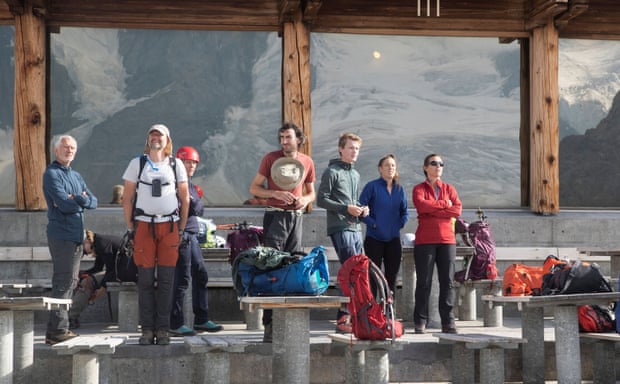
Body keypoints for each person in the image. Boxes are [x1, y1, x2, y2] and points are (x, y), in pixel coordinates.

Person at [122, 123, 190, 345]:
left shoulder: (176, 164)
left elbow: (185, 197)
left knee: (167, 281)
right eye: (152, 134)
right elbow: (127, 197)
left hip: (169, 226)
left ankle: (163, 329)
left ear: (167, 139)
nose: (155, 138)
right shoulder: (137, 163)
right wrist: (131, 227)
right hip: (143, 226)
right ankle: (146, 329)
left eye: (159, 135)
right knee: (145, 280)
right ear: (148, 139)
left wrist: (181, 228)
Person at [249, 122, 316, 342]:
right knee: (272, 267)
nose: (284, 141)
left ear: (298, 138)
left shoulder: (307, 161)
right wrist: (275, 194)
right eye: (281, 138)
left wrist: (304, 200)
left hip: (296, 218)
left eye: (288, 137)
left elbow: (311, 193)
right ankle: (270, 325)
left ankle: (290, 325)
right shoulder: (271, 158)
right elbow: (254, 188)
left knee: (293, 266)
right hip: (275, 215)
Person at [42, 135, 98, 345]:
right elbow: (63, 205)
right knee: (63, 282)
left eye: (73, 148)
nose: (69, 150)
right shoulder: (51, 174)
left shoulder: (76, 175)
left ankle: (58, 329)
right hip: (61, 236)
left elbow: (94, 201)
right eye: (65, 147)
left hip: (77, 236)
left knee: (71, 282)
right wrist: (78, 200)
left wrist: (78, 199)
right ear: (56, 150)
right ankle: (57, 330)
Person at [316, 132, 368, 333]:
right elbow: (321, 200)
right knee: (350, 271)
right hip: (339, 226)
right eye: (350, 148)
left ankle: (356, 316)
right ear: (341, 149)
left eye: (357, 148)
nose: (354, 151)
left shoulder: (355, 174)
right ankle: (342, 318)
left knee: (359, 271)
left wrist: (362, 209)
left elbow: (351, 203)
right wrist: (346, 208)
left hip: (355, 226)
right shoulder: (332, 171)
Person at [169, 146, 223, 336]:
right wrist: (192, 204)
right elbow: (188, 208)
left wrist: (192, 204)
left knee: (200, 274)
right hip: (180, 233)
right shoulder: (173, 182)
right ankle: (175, 322)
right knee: (182, 278)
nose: (191, 165)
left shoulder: (189, 184)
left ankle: (201, 318)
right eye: (187, 162)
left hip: (192, 233)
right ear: (178, 162)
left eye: (194, 162)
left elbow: (197, 209)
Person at [412, 153, 462, 334]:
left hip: (447, 240)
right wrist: (443, 205)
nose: (438, 166)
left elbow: (456, 210)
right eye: (434, 163)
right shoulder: (419, 188)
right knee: (424, 282)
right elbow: (421, 206)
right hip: (425, 240)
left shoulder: (450, 188)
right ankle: (420, 321)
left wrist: (435, 208)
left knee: (447, 282)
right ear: (426, 167)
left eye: (441, 163)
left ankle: (448, 322)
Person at [359, 154, 409, 295]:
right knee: (373, 277)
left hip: (393, 239)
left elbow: (404, 212)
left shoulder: (399, 189)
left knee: (391, 278)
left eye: (393, 165)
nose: (390, 168)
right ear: (380, 169)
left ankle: (389, 311)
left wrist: (400, 224)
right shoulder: (372, 186)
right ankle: (373, 312)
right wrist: (373, 224)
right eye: (387, 165)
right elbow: (360, 209)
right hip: (374, 239)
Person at [69, 229, 137, 329]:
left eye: (83, 250)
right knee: (86, 278)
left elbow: (111, 269)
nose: (86, 254)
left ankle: (71, 317)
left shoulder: (102, 243)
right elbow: (98, 268)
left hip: (125, 272)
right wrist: (81, 274)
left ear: (87, 241)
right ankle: (71, 316)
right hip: (122, 271)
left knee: (87, 282)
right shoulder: (99, 242)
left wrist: (103, 288)